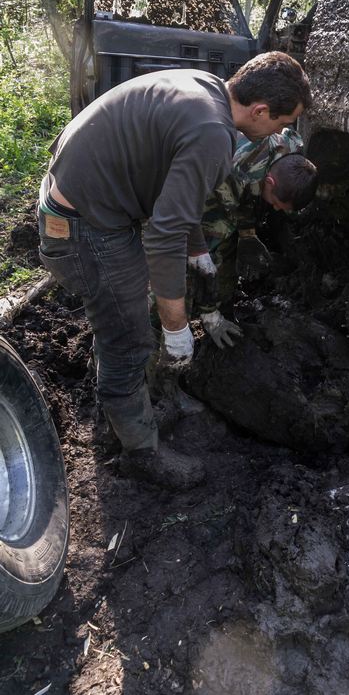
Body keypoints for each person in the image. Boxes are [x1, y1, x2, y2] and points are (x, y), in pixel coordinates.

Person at [37, 52, 311, 489]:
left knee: (121, 329)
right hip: (80, 227)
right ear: (260, 110)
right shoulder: (215, 136)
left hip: (83, 198)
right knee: (130, 338)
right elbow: (162, 237)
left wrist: (198, 247)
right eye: (280, 124)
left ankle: (120, 408)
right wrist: (177, 326)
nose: (278, 134)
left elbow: (173, 196)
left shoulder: (207, 88)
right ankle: (140, 453)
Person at [190, 128, 318, 333]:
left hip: (230, 181)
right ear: (269, 181)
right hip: (177, 195)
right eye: (276, 203)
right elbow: (205, 247)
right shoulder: (235, 172)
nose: (275, 208)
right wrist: (209, 314)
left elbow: (249, 197)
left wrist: (247, 235)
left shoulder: (290, 151)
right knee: (190, 265)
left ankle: (224, 305)